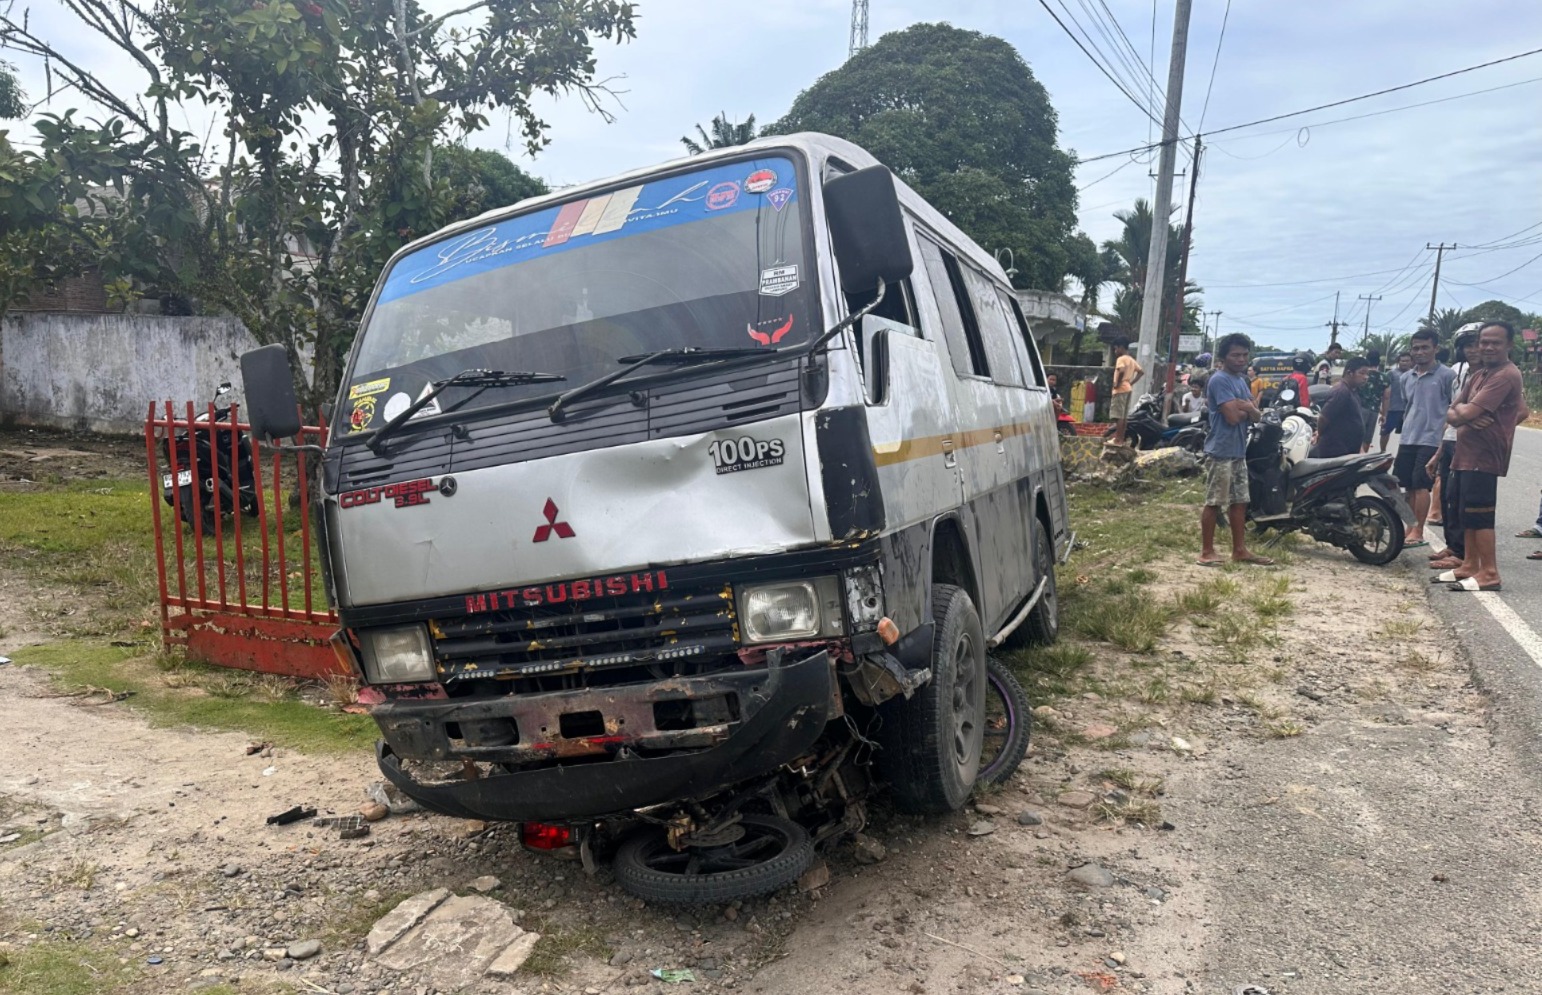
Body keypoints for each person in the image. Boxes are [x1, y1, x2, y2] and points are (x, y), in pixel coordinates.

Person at [1440, 321, 1527, 591]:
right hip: (1466, 453)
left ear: (1509, 345)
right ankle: (1469, 564)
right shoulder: (1479, 374)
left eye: (1496, 342)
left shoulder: (1505, 375)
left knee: (1480, 515)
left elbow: (1461, 413)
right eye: (1483, 342)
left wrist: (1463, 415)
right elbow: (1452, 411)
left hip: (1485, 456)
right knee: (1465, 513)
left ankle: (1489, 573)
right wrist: (1463, 416)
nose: (1488, 347)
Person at [1198, 333, 1273, 566]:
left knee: (1240, 501)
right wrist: (1246, 408)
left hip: (1239, 450)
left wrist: (1245, 406)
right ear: (1224, 357)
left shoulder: (1242, 381)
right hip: (1220, 450)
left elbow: (1257, 415)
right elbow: (1231, 417)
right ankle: (1206, 551)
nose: (1241, 359)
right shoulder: (1219, 380)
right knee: (1215, 501)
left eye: (1244, 355)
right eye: (1235, 355)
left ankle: (1239, 550)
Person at [1393, 329, 1456, 547]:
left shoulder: (1447, 376)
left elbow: (1453, 406)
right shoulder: (1405, 377)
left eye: (1424, 348)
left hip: (1431, 439)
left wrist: (1443, 440)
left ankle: (1418, 531)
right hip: (1408, 437)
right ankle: (1409, 527)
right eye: (1415, 348)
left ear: (1435, 349)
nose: (1419, 352)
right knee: (1407, 486)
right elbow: (1407, 405)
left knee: (1421, 486)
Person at [1426, 331, 1478, 569]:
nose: (1472, 350)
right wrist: (1437, 453)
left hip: (1467, 443)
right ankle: (1453, 545)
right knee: (1447, 496)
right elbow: (1451, 412)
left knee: (1461, 498)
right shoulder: (1457, 371)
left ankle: (1463, 552)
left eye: (1475, 345)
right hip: (1449, 439)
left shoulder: (1489, 375)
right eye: (1467, 346)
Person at [1312, 357, 1370, 458]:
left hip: (1347, 450)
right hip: (1336, 452)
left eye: (1367, 374)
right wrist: (1320, 434)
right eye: (1362, 373)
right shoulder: (1342, 392)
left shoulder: (1352, 391)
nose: (1366, 377)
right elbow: (1323, 418)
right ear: (1350, 373)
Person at [1109, 337, 1143, 446]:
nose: (1115, 351)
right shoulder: (1131, 359)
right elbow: (1141, 372)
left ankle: (1117, 440)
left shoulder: (1121, 359)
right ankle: (1121, 438)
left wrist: (1117, 383)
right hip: (1128, 388)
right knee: (1123, 417)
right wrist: (1131, 383)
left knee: (1118, 416)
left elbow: (1122, 370)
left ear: (1121, 347)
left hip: (1120, 390)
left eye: (1116, 349)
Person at [1379, 351, 1413, 452]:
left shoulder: (1413, 374)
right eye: (1402, 361)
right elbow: (1383, 390)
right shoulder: (1391, 374)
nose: (1404, 363)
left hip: (1407, 410)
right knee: (1385, 432)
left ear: (1411, 362)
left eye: (1407, 361)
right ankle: (1382, 452)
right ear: (1398, 362)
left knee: (1407, 434)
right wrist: (1382, 408)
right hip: (1392, 409)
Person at [1355, 350, 1387, 453]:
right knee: (1367, 438)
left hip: (1359, 408)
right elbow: (1386, 397)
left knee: (1356, 435)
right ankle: (1362, 459)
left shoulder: (1362, 374)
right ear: (1378, 362)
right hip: (1374, 411)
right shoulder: (1384, 378)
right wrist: (1384, 414)